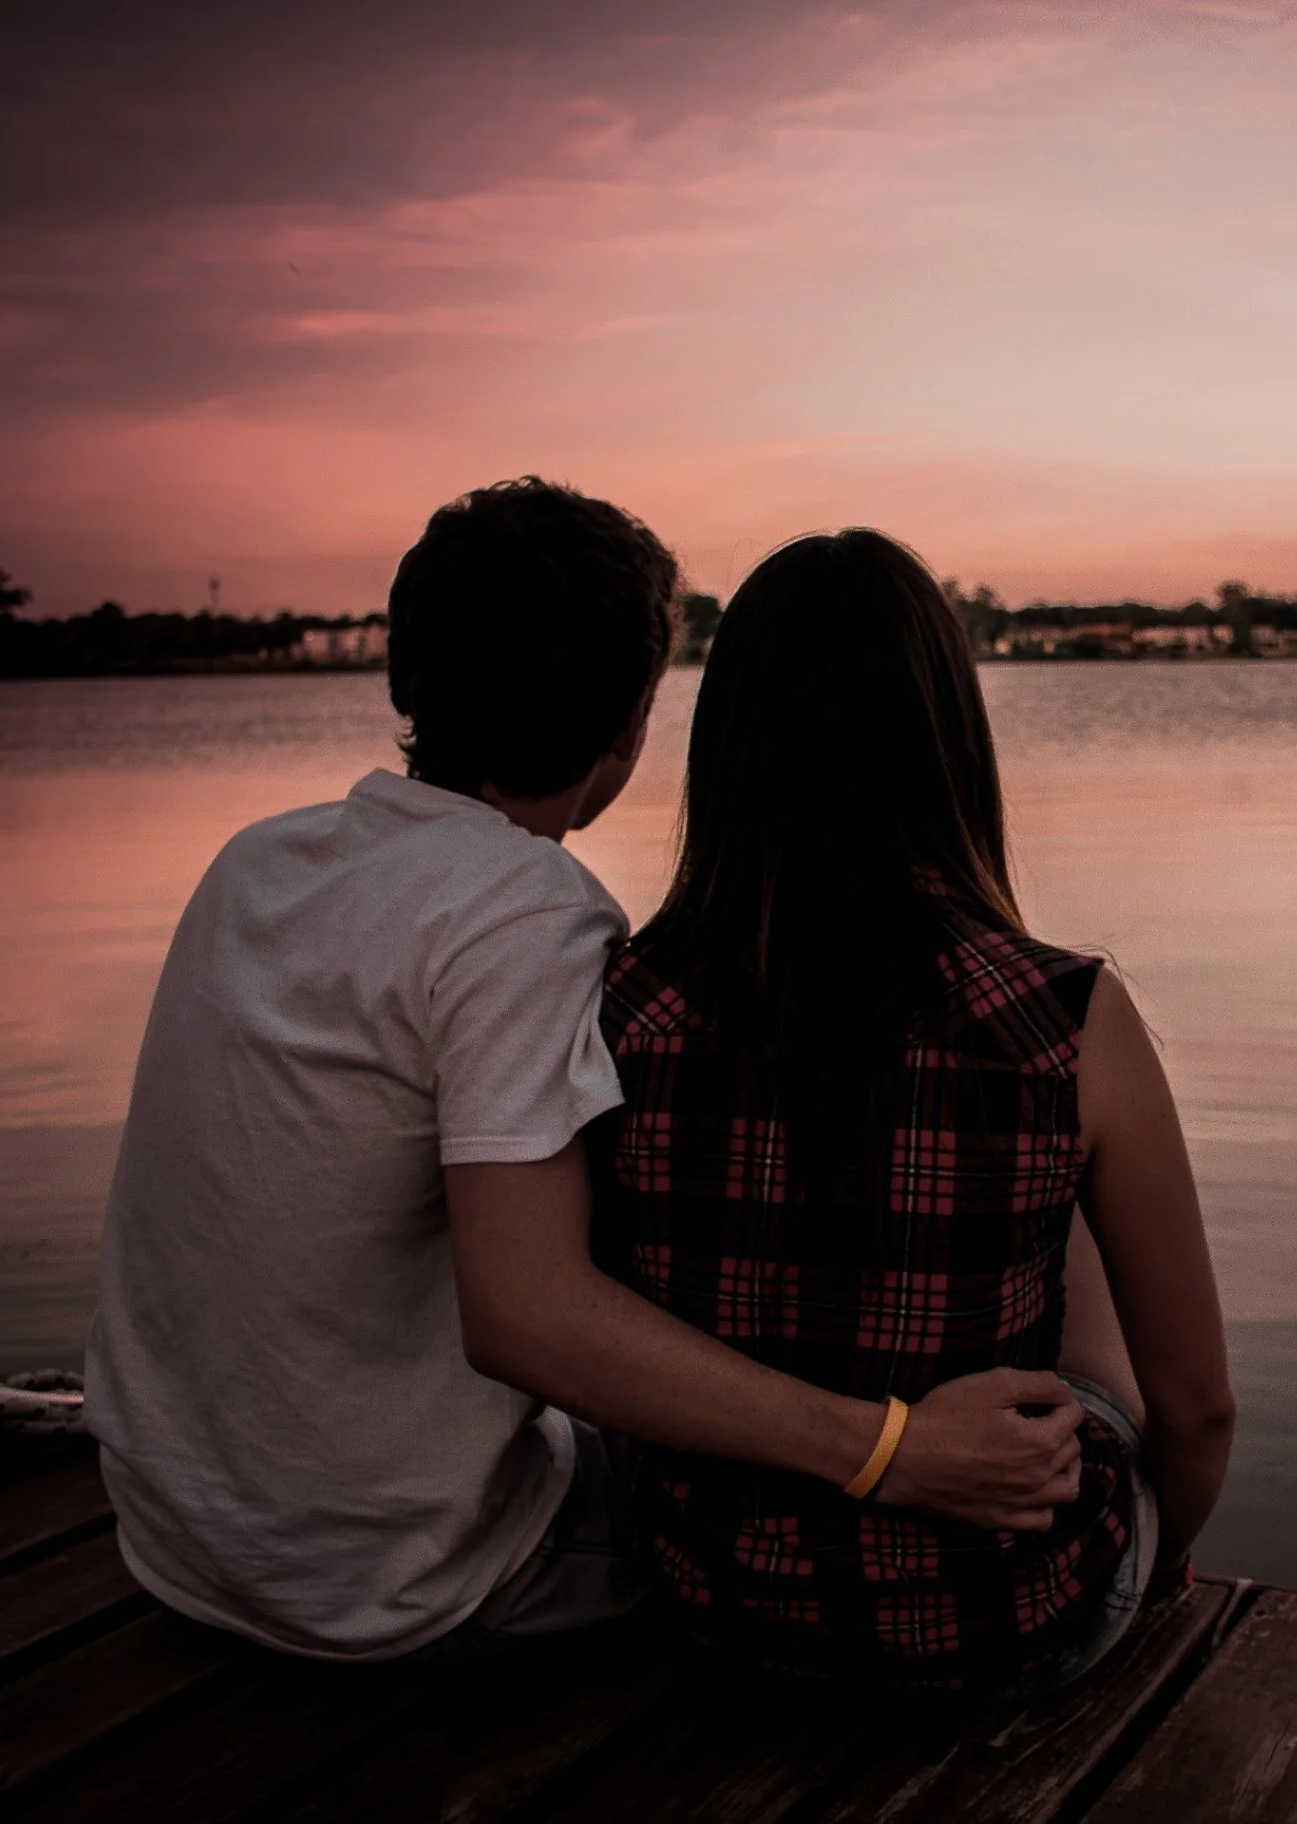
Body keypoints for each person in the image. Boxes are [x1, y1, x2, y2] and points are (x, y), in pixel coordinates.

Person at [86, 481, 1090, 1663]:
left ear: (406, 681)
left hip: (175, 1534)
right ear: (628, 726)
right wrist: (888, 1448)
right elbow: (527, 1321)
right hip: (391, 1580)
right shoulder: (526, 913)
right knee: (745, 1506)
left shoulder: (255, 865)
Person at [593, 529, 1236, 1691]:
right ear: (947, 736)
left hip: (715, 1612)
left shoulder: (621, 1005)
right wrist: (1157, 1556)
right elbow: (1197, 1413)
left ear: (727, 746)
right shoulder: (1066, 1013)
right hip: (1002, 1622)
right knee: (1077, 1196)